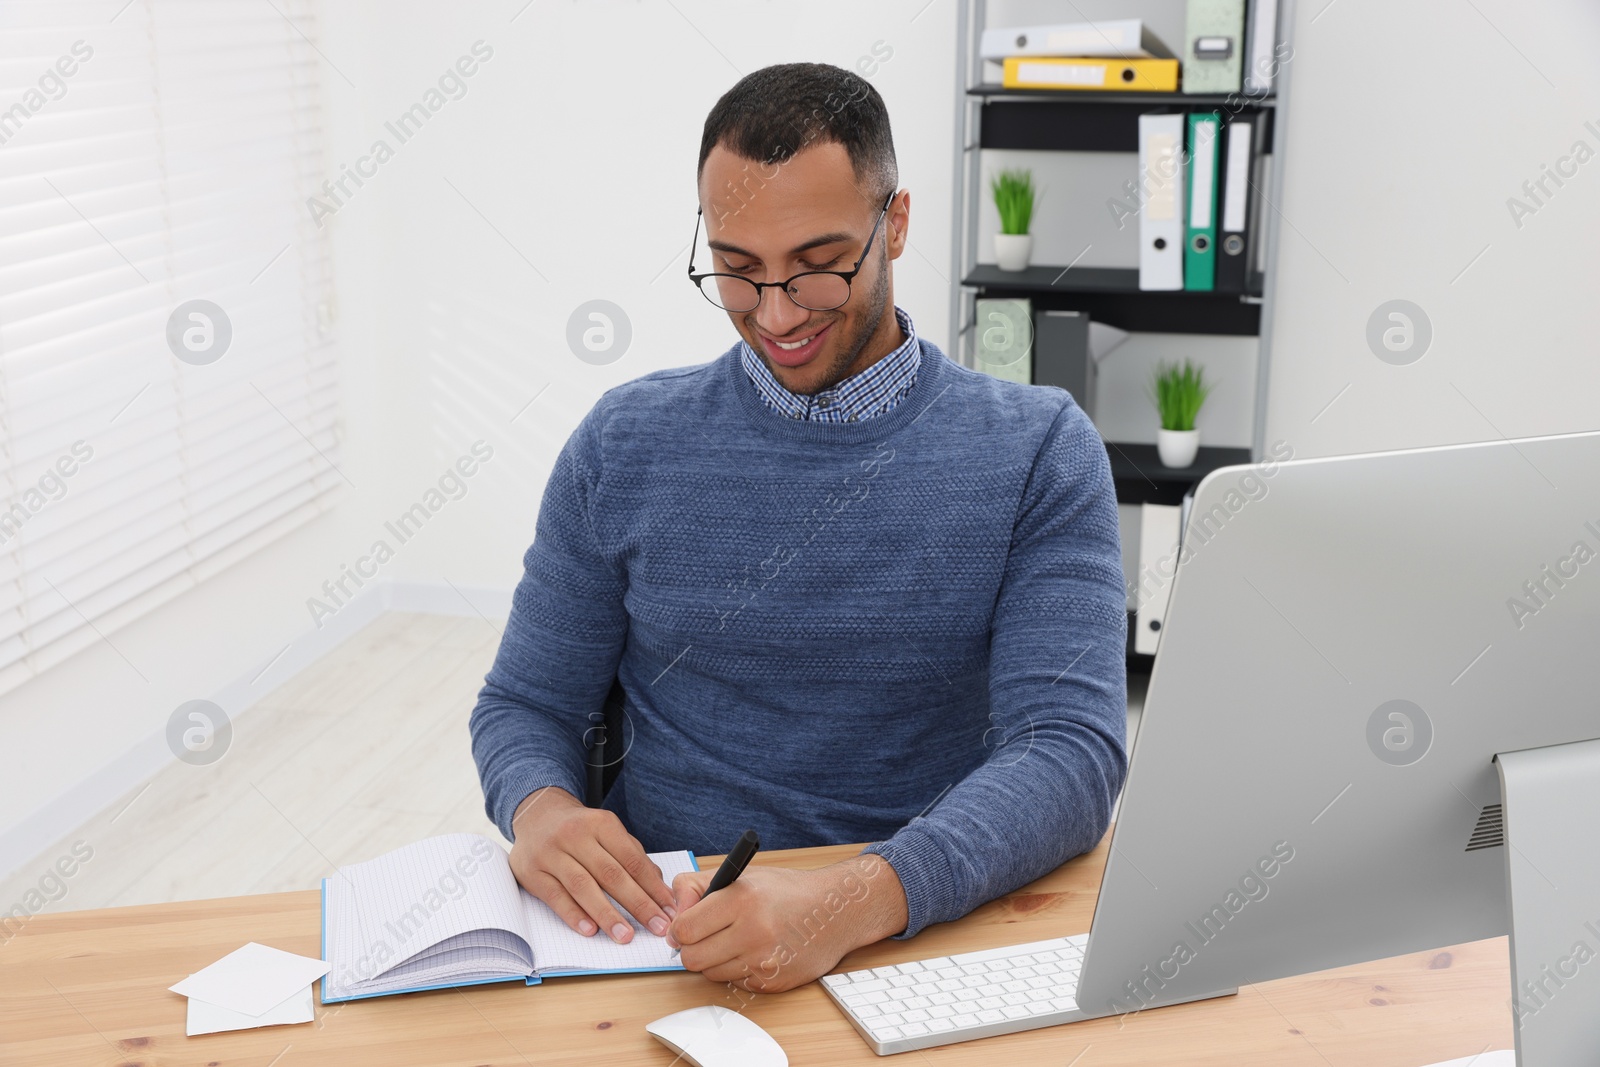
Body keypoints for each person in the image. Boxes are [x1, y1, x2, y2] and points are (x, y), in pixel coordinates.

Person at [469, 62, 1126, 994]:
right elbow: (526, 704)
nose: (775, 314)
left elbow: (1071, 750)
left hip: (919, 934)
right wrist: (539, 809)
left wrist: (850, 902)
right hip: (667, 944)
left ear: (894, 223)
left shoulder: (1038, 453)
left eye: (817, 266)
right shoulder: (624, 443)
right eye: (738, 270)